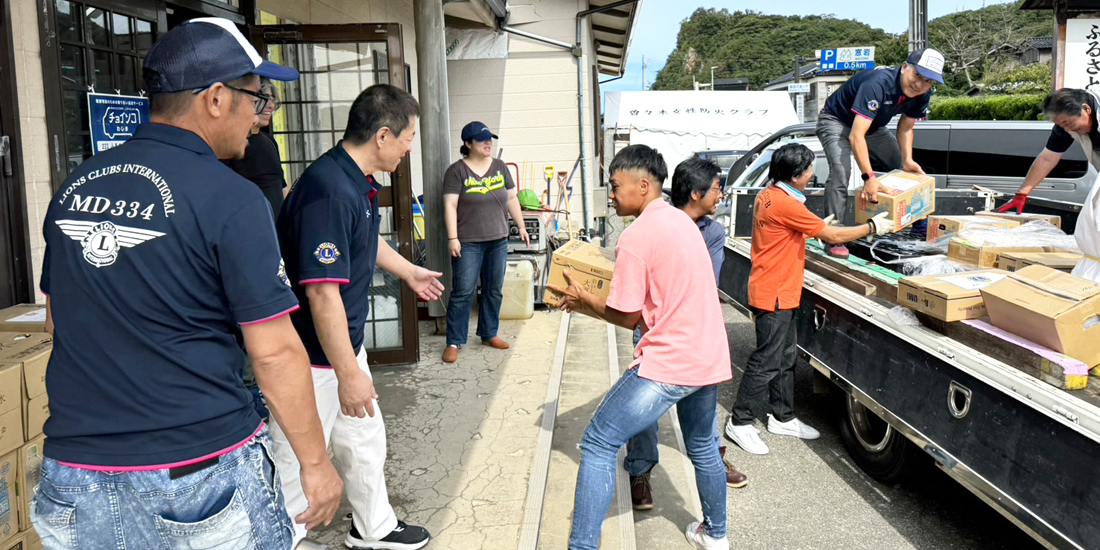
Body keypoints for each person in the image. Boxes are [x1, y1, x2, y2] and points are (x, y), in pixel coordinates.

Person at [33, 17, 342, 549]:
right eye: (257, 96)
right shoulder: (232, 198)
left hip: (74, 474)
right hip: (194, 474)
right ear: (217, 98)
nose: (259, 114)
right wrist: (316, 464)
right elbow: (273, 354)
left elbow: (59, 317)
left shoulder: (76, 186)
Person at [275, 83, 444, 550]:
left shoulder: (357, 181)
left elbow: (366, 243)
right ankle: (283, 539)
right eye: (409, 138)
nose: (410, 149)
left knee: (364, 438)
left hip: (343, 349)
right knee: (295, 462)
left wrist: (409, 272)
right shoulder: (327, 192)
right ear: (384, 136)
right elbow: (322, 294)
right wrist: (348, 373)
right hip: (311, 359)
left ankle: (374, 528)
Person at [549, 145, 732, 550]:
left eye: (615, 186)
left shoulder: (637, 235)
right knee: (702, 444)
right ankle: (716, 534)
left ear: (643, 186)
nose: (611, 195)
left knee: (598, 442)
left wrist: (582, 302)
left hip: (670, 361)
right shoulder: (683, 222)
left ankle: (582, 546)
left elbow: (626, 315)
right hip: (709, 354)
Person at [724, 143, 896, 456]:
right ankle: (740, 421)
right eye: (808, 170)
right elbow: (832, 238)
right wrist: (871, 226)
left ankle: (782, 416)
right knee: (766, 360)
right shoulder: (786, 204)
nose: (812, 174)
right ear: (794, 175)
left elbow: (788, 231)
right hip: (773, 293)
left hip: (780, 289)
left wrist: (809, 227)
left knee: (786, 357)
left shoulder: (770, 193)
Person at [625, 157, 747, 514]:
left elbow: (704, 284)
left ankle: (714, 458)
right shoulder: (654, 224)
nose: (721, 194)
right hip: (654, 331)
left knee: (704, 414)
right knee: (643, 412)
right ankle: (640, 470)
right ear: (695, 193)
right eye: (716, 188)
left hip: (695, 335)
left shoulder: (711, 231)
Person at [816, 48, 943, 258]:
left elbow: (906, 127)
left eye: (928, 81)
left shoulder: (923, 93)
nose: (919, 84)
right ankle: (832, 234)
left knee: (903, 168)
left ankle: (919, 223)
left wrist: (908, 160)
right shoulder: (877, 83)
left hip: (873, 127)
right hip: (836, 121)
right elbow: (856, 136)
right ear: (904, 67)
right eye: (917, 75)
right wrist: (869, 177)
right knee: (841, 171)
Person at [441, 122, 529, 363]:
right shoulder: (456, 171)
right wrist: (452, 238)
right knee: (463, 291)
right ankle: (453, 341)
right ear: (468, 144)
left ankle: (489, 333)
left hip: (498, 239)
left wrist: (520, 226)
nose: (488, 143)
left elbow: (511, 198)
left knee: (493, 289)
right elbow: (450, 205)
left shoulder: (500, 167)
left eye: (490, 139)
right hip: (468, 242)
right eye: (482, 141)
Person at [996, 88, 1100, 282]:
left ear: (1087, 110)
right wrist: (1022, 194)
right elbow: (1048, 157)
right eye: (1062, 126)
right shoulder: (1065, 125)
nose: (1068, 130)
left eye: (1069, 124)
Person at [225, 78, 288, 218]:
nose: (271, 106)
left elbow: (282, 188)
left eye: (273, 99)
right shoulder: (231, 143)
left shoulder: (269, 141)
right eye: (264, 99)